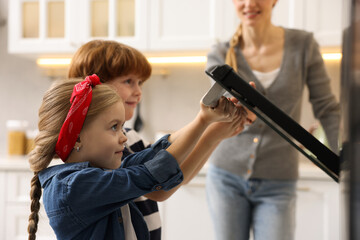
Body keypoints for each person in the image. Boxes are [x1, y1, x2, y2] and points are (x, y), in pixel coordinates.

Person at [67, 39, 256, 239]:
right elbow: (159, 188)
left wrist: (216, 132)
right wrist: (208, 126)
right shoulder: (105, 146)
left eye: (140, 82)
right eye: (128, 81)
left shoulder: (129, 136)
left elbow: (177, 174)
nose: (138, 92)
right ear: (97, 85)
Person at [27, 75, 245, 240]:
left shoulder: (98, 171)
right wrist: (202, 122)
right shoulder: (74, 187)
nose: (124, 137)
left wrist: (206, 119)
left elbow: (152, 157)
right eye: (114, 127)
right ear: (77, 138)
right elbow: (148, 174)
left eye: (122, 127)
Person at [205, 0, 340, 240]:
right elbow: (219, 111)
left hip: (279, 179)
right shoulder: (220, 52)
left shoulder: (303, 45)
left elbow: (327, 107)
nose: (249, 4)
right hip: (226, 176)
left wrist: (338, 158)